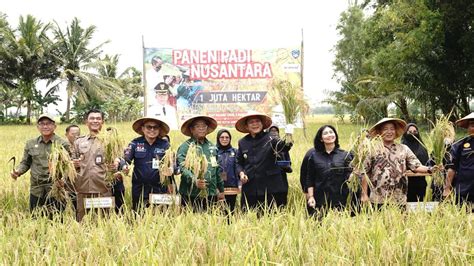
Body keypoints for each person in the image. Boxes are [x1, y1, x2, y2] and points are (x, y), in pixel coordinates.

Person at [358, 118, 434, 208]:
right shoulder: (372, 149)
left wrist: (430, 169)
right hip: (378, 199)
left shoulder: (404, 149)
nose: (389, 132)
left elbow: (416, 165)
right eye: (385, 129)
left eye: (392, 129)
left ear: (396, 131)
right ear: (379, 132)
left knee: (399, 221)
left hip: (400, 199)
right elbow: (364, 172)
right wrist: (364, 194)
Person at [11, 114, 69, 215]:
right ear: (38, 127)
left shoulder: (62, 144)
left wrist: (63, 180)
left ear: (54, 126)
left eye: (48, 124)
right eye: (42, 124)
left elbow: (69, 166)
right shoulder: (31, 143)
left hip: (55, 189)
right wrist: (18, 171)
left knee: (57, 220)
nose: (45, 126)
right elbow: (25, 162)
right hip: (36, 189)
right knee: (35, 217)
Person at [235, 112, 293, 211]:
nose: (255, 124)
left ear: (262, 124)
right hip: (250, 188)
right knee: (249, 218)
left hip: (270, 189)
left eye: (257, 121)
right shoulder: (243, 142)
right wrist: (241, 173)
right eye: (251, 122)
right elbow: (239, 162)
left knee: (271, 218)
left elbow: (284, 146)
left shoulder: (271, 138)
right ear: (247, 126)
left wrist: (289, 135)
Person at [73, 109, 121, 222]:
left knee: (104, 222)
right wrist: (73, 163)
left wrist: (116, 163)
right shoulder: (78, 142)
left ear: (102, 122)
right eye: (92, 118)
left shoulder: (110, 141)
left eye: (98, 118)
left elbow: (119, 158)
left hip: (103, 188)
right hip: (83, 188)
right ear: (86, 122)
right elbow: (71, 161)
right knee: (83, 222)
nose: (95, 121)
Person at [124, 117, 174, 211]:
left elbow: (172, 162)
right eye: (149, 127)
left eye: (155, 127)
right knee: (138, 216)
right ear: (143, 128)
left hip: (159, 189)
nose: (152, 130)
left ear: (159, 129)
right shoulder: (135, 143)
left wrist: (171, 169)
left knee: (160, 218)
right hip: (140, 189)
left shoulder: (165, 145)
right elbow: (126, 160)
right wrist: (124, 166)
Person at [177, 115, 225, 211]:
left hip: (210, 193)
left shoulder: (212, 147)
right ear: (191, 129)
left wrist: (221, 189)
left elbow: (217, 169)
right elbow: (182, 167)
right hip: (190, 193)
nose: (201, 129)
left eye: (204, 126)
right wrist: (194, 180)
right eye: (198, 126)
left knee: (210, 222)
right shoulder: (185, 147)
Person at [306, 125, 354, 214]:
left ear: (335, 135)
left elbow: (348, 176)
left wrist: (354, 174)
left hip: (339, 199)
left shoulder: (345, 155)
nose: (329, 135)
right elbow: (310, 178)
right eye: (325, 133)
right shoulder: (314, 156)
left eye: (331, 132)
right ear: (321, 139)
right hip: (319, 198)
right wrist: (311, 196)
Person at [444, 112, 474, 207]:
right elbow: (452, 168)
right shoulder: (459, 145)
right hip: (464, 191)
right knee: (463, 219)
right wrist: (447, 188)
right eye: (473, 125)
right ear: (468, 128)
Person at [401, 123, 430, 202]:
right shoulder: (401, 148)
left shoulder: (422, 148)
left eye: (415, 131)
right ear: (405, 133)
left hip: (420, 183)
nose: (412, 134)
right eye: (409, 132)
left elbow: (427, 163)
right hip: (405, 184)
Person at [267, 124, 292, 206]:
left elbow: (289, 162)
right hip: (269, 180)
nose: (274, 133)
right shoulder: (266, 145)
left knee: (282, 201)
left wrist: (287, 167)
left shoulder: (282, 145)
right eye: (272, 131)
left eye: (276, 131)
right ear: (268, 132)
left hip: (281, 179)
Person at [216, 129, 239, 212]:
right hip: (217, 187)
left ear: (230, 139)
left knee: (230, 211)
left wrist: (239, 184)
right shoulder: (214, 152)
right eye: (222, 137)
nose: (224, 139)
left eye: (227, 137)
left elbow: (238, 168)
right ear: (218, 139)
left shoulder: (235, 152)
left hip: (231, 187)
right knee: (217, 212)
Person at [65, 124, 81, 211]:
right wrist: (70, 164)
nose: (76, 136)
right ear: (66, 135)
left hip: (80, 182)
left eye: (78, 133)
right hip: (66, 182)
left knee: (78, 205)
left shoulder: (82, 145)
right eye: (73, 134)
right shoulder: (61, 147)